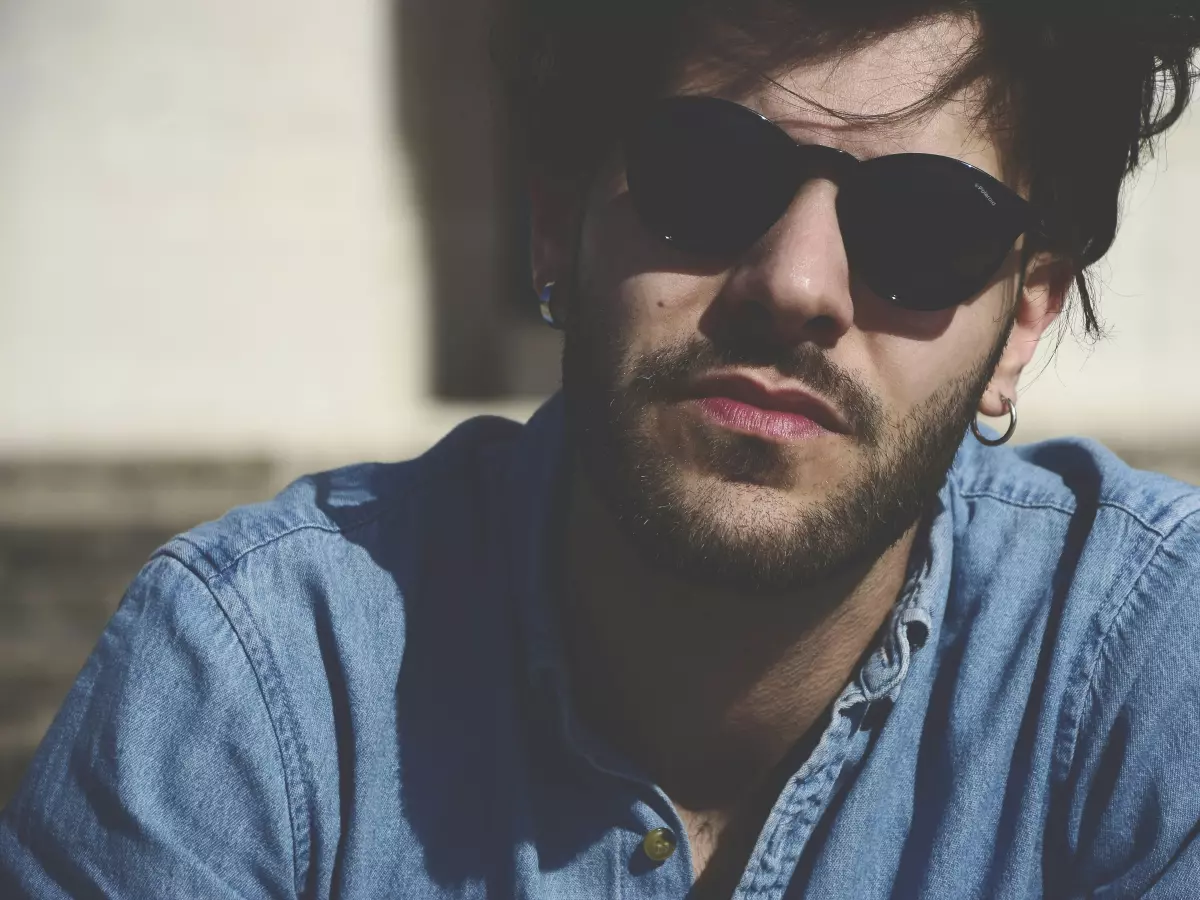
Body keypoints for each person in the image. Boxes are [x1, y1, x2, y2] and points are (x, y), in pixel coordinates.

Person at [4, 1, 1200, 897]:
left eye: (926, 225)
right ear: (552, 219)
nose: (793, 285)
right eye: (707, 171)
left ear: (1023, 319)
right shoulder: (254, 684)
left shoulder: (1144, 672)